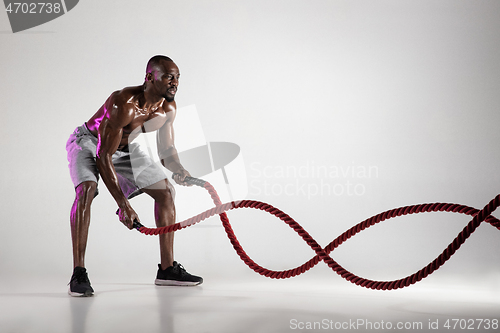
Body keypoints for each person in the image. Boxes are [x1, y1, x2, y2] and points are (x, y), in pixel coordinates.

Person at [66, 55, 202, 297]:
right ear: (150, 77)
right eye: (169, 77)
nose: (175, 83)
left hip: (124, 149)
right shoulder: (123, 103)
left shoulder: (167, 107)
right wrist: (123, 204)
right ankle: (79, 273)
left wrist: (178, 168)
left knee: (167, 192)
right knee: (86, 190)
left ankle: (167, 270)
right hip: (89, 142)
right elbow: (102, 156)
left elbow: (166, 151)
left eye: (178, 77)